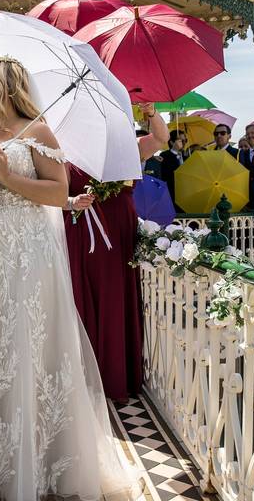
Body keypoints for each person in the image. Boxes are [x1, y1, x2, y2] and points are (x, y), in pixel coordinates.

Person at [0, 57, 135, 499]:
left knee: (27, 345)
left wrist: (7, 176)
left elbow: (58, 193)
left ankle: (38, 457)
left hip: (26, 256)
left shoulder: (37, 132)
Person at [60, 102, 165, 403]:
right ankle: (83, 377)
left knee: (114, 296)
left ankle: (115, 375)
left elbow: (159, 139)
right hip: (81, 229)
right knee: (82, 295)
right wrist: (71, 200)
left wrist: (151, 114)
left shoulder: (125, 147)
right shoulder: (68, 152)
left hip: (118, 232)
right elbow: (58, 191)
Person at [159, 130, 186, 211]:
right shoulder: (164, 156)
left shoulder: (187, 155)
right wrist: (175, 151)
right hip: (171, 197)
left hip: (185, 197)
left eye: (185, 140)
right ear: (171, 142)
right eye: (181, 141)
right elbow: (166, 175)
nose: (184, 143)